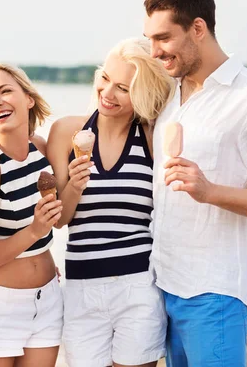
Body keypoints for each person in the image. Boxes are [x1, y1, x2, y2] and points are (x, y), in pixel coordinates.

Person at [143, 0, 247, 367]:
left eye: (163, 38)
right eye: (149, 39)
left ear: (198, 28)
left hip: (215, 294)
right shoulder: (169, 94)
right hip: (162, 285)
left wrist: (210, 190)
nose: (154, 51)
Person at [46, 38, 175, 367]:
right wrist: (75, 185)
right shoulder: (66, 132)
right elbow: (59, 220)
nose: (107, 93)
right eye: (105, 78)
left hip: (138, 285)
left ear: (143, 94)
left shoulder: (151, 136)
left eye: (123, 87)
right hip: (81, 289)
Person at [0, 64, 64, 367]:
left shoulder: (43, 148)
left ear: (29, 98)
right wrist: (33, 231)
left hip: (47, 301)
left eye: (5, 91)